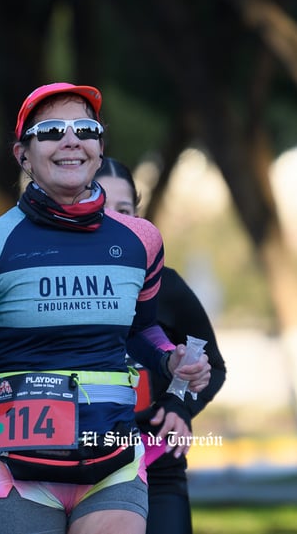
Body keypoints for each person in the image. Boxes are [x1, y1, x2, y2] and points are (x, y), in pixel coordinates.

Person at [0, 82, 211, 534]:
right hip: (17, 472)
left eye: (85, 128)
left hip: (113, 462)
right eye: (51, 130)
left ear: (98, 148)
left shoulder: (141, 240)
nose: (71, 139)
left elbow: (140, 331)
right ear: (23, 155)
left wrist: (171, 359)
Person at [95, 157, 227, 534]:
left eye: (125, 209)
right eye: (103, 207)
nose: (115, 219)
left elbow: (212, 365)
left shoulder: (165, 285)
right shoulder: (66, 286)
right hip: (81, 465)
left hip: (158, 461)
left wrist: (178, 406)